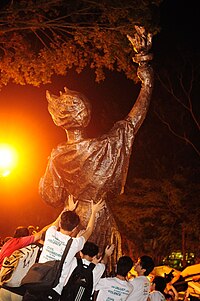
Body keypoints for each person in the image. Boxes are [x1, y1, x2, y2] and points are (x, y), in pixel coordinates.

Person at [39, 25, 154, 261]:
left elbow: (50, 196)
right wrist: (146, 78)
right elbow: (133, 122)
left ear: (58, 120)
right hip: (101, 217)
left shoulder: (58, 155)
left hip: (70, 220)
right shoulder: (106, 146)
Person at [22, 195, 105, 301]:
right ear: (75, 228)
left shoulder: (50, 232)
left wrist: (67, 209)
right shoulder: (75, 244)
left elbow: (55, 222)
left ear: (60, 223)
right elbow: (89, 230)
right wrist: (93, 212)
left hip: (34, 283)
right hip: (53, 290)